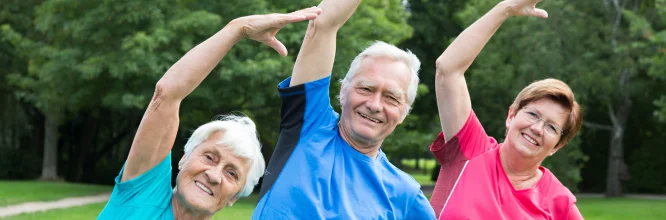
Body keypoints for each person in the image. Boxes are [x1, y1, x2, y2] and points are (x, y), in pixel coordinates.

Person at [97, 7, 322, 219]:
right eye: (209, 157)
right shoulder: (143, 193)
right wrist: (237, 29)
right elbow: (167, 95)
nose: (213, 176)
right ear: (184, 158)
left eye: (232, 174)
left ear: (235, 197)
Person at [252, 0, 436, 219]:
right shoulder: (310, 124)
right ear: (343, 91)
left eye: (391, 97)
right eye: (366, 88)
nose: (375, 105)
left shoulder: (407, 196)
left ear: (404, 112)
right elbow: (323, 23)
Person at [429, 0, 584, 219]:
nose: (537, 128)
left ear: (556, 146)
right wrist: (506, 9)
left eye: (551, 127)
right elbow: (448, 69)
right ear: (511, 115)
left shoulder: (560, 202)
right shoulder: (470, 151)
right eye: (532, 114)